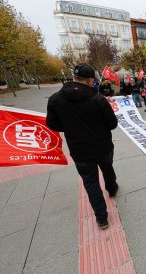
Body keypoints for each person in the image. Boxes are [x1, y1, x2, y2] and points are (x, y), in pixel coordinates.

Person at [46, 63, 118, 229]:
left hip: (79, 150)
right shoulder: (98, 99)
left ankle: (102, 218)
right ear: (90, 80)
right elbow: (112, 124)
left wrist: (70, 126)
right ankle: (112, 189)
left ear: (74, 78)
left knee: (90, 182)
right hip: (102, 146)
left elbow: (52, 124)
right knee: (107, 168)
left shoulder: (55, 99)